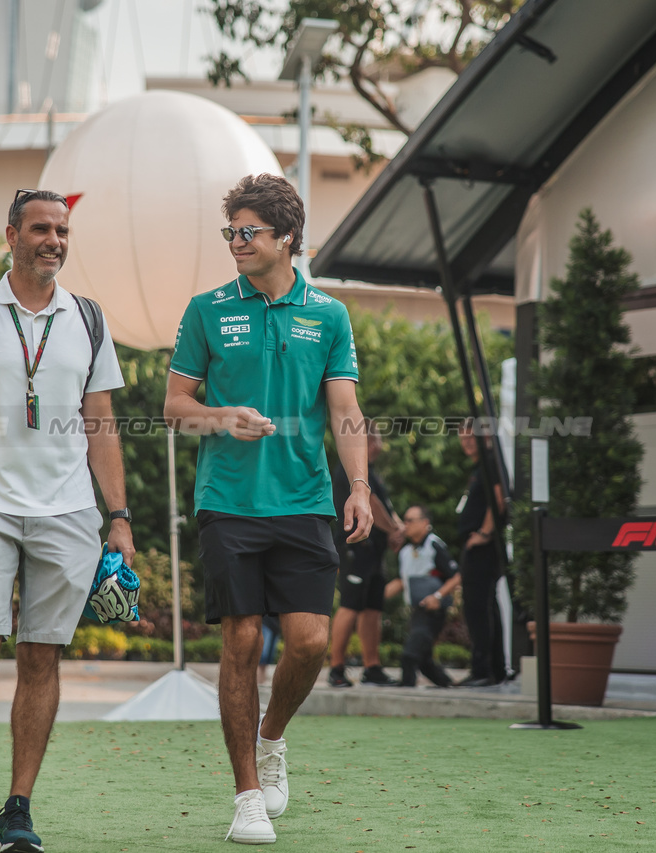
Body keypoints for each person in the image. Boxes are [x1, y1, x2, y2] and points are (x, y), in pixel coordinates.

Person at [0, 188, 135, 853]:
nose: (54, 241)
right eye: (41, 228)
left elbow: (102, 424)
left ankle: (19, 804)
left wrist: (119, 517)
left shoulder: (90, 317)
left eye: (63, 230)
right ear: (11, 235)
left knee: (42, 653)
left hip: (69, 512)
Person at [164, 173, 372, 846]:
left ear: (286, 238)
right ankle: (247, 793)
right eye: (231, 231)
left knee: (311, 641)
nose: (236, 243)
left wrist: (360, 487)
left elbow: (345, 412)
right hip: (227, 501)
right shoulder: (205, 309)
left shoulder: (329, 315)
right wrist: (222, 417)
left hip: (306, 500)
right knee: (242, 641)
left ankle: (272, 734)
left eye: (248, 231)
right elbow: (175, 409)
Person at [326, 421, 405, 688]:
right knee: (350, 605)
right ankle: (336, 667)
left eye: (377, 440)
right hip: (354, 547)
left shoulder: (371, 472)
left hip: (374, 551)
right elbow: (371, 503)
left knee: (372, 607)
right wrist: (394, 529)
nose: (377, 446)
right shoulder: (352, 470)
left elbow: (385, 505)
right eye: (372, 440)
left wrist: (397, 529)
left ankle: (372, 667)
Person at [455, 420, 508, 687]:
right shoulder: (482, 464)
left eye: (471, 438)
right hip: (480, 547)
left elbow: (498, 499)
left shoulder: (489, 461)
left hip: (483, 548)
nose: (466, 443)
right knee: (488, 606)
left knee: (477, 607)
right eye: (463, 438)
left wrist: (485, 534)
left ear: (485, 437)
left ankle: (482, 671)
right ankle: (495, 669)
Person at [384, 505, 461, 687]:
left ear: (425, 523)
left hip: (432, 612)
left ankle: (406, 689)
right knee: (425, 662)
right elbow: (402, 581)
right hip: (417, 611)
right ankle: (448, 685)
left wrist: (437, 596)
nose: (406, 525)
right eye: (405, 520)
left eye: (410, 520)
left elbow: (456, 576)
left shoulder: (434, 545)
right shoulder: (405, 552)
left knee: (410, 656)